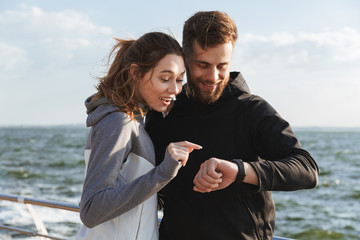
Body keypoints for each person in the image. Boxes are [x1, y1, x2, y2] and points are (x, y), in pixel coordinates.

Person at [145, 11, 319, 240]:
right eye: (203, 65)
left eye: (222, 65)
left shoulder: (251, 109)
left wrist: (240, 171)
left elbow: (307, 170)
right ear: (185, 59)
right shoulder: (163, 112)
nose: (213, 76)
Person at [76, 32, 202, 240]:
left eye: (179, 79)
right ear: (135, 72)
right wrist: (162, 173)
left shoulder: (131, 119)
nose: (175, 89)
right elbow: (91, 210)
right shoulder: (119, 122)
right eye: (165, 78)